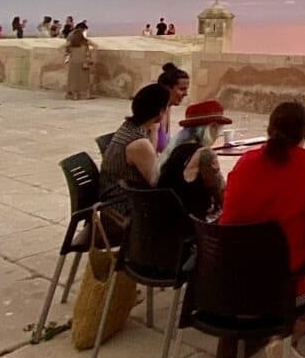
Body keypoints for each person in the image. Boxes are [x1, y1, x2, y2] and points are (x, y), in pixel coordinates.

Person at [220, 100, 305, 358]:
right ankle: (288, 336)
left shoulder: (244, 163)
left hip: (238, 281)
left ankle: (270, 334)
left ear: (269, 128)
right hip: (286, 286)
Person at [99, 83, 171, 236]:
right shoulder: (138, 143)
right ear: (160, 111)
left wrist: (155, 130)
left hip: (112, 204)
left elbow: (150, 155)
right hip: (122, 213)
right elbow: (156, 182)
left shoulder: (130, 128)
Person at [157, 100, 231, 220]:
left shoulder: (176, 149)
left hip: (167, 220)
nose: (219, 134)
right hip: (191, 225)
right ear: (211, 127)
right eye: (219, 129)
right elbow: (222, 195)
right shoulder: (205, 154)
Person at [155, 62, 190, 154]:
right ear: (167, 88)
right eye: (182, 89)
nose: (186, 94)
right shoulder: (154, 115)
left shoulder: (167, 108)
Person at [63, 26, 96, 100]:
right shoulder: (85, 42)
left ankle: (75, 95)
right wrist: (89, 53)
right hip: (83, 61)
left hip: (73, 61)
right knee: (84, 79)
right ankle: (87, 95)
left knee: (73, 78)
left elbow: (60, 47)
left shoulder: (71, 43)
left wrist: (68, 53)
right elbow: (96, 46)